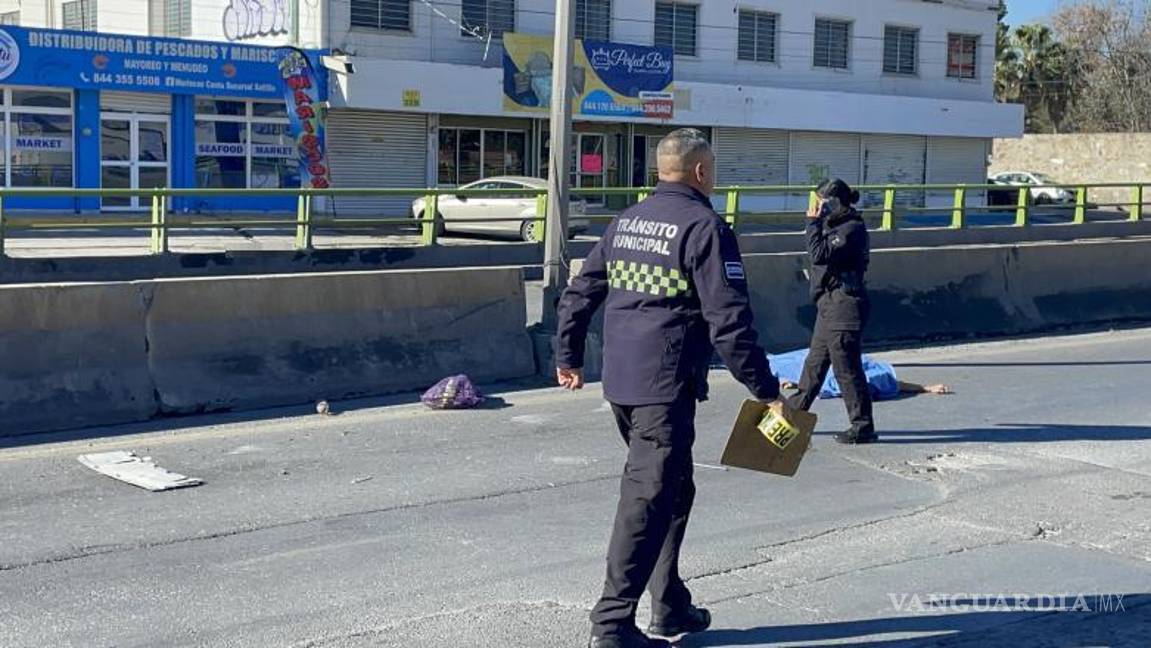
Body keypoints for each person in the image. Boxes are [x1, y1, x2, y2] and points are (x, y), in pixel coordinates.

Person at [555, 128, 780, 648]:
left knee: (675, 488)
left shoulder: (627, 221)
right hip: (664, 386)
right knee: (648, 497)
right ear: (702, 172)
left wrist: (568, 355)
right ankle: (611, 625)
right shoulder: (705, 227)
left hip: (622, 382)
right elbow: (730, 321)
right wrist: (765, 389)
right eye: (714, 170)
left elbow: (579, 293)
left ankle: (669, 605)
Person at [788, 178, 877, 444]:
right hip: (829, 305)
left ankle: (863, 426)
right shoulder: (835, 225)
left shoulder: (851, 228)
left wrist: (812, 223)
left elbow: (818, 254)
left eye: (822, 203)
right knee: (814, 364)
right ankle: (793, 414)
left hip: (845, 305)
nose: (817, 208)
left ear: (836, 202)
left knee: (846, 369)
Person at [769, 348, 953, 400]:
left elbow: (894, 383)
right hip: (831, 360)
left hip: (837, 366)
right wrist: (926, 388)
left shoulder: (872, 380)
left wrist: (926, 388)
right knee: (792, 362)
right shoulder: (865, 378)